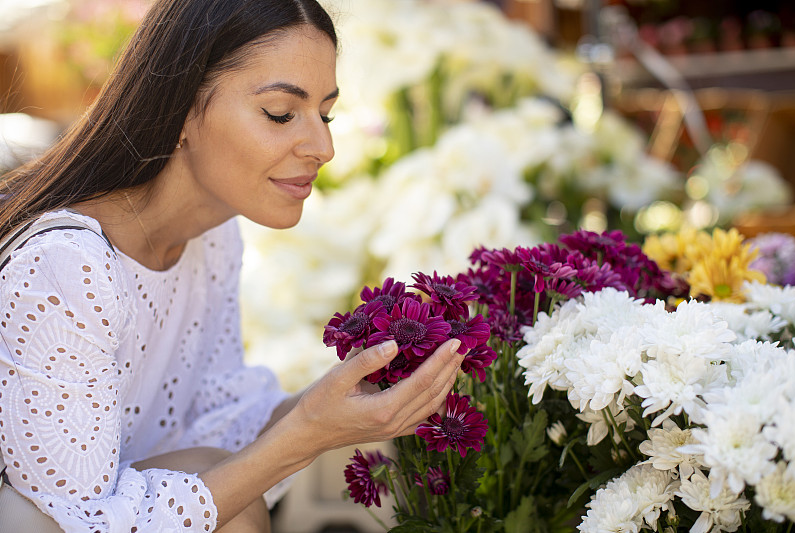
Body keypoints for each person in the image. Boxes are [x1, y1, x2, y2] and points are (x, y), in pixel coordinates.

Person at [0, 0, 466, 531]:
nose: (324, 146)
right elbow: (81, 516)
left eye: (325, 113)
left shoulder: (213, 236)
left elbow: (211, 422)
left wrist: (340, 402)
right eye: (280, 114)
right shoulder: (65, 268)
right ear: (178, 109)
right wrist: (309, 432)